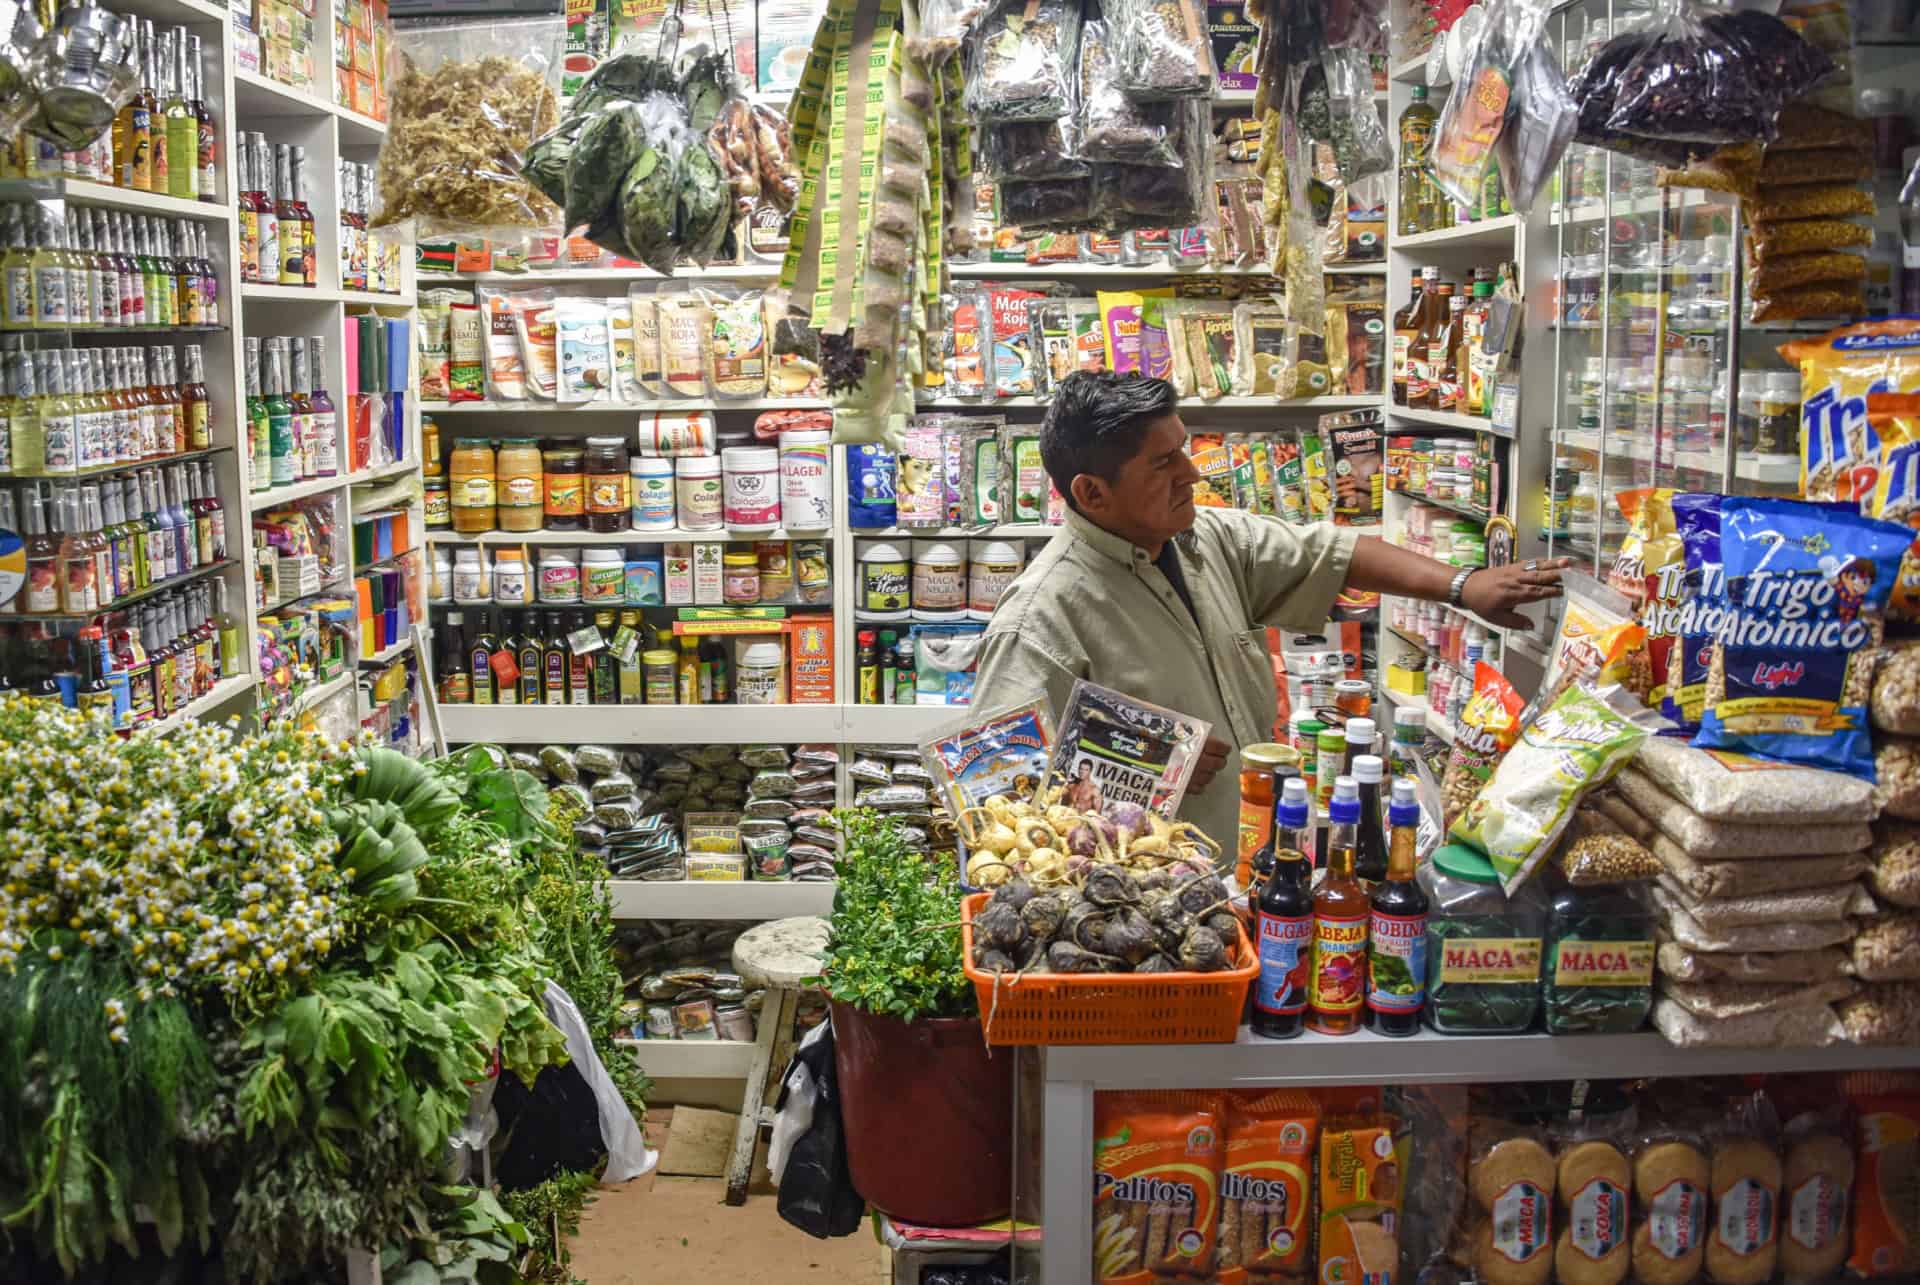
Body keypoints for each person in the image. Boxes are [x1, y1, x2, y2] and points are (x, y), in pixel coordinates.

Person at [972, 371, 1570, 852]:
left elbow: (1333, 552)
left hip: (1247, 864)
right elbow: (990, 792)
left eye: (1182, 450)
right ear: (1091, 493)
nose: (1192, 473)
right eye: (1163, 463)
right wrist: (1130, 761)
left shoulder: (1203, 540)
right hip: (1137, 910)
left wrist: (1463, 585)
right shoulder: (1041, 619)